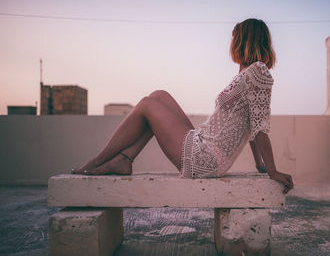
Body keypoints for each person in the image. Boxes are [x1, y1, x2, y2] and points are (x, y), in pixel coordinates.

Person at [72, 18, 294, 194]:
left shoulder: (258, 71)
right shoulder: (246, 73)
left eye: (235, 38)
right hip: (203, 143)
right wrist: (260, 166)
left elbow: (259, 126)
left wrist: (270, 170)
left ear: (244, 41)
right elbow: (251, 127)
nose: (231, 44)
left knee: (147, 105)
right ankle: (124, 160)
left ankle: (97, 161)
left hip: (206, 157)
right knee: (159, 95)